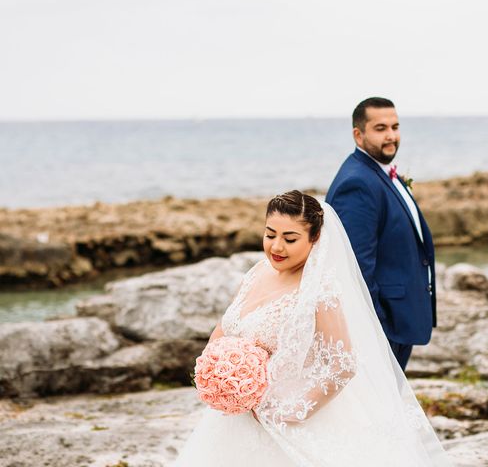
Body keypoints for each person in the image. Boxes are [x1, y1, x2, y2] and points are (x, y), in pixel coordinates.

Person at [172, 190, 452, 466]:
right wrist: (215, 369)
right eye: (270, 235)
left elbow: (343, 365)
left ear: (315, 238)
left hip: (289, 418)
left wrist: (294, 411)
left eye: (290, 239)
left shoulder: (320, 290)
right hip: (238, 414)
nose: (276, 247)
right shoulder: (258, 271)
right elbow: (226, 325)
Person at [326, 97, 437, 371]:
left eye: (395, 126)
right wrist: (378, 327)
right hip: (384, 326)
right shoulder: (356, 183)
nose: (391, 136)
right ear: (358, 134)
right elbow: (355, 267)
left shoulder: (379, 172)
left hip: (398, 318)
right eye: (380, 128)